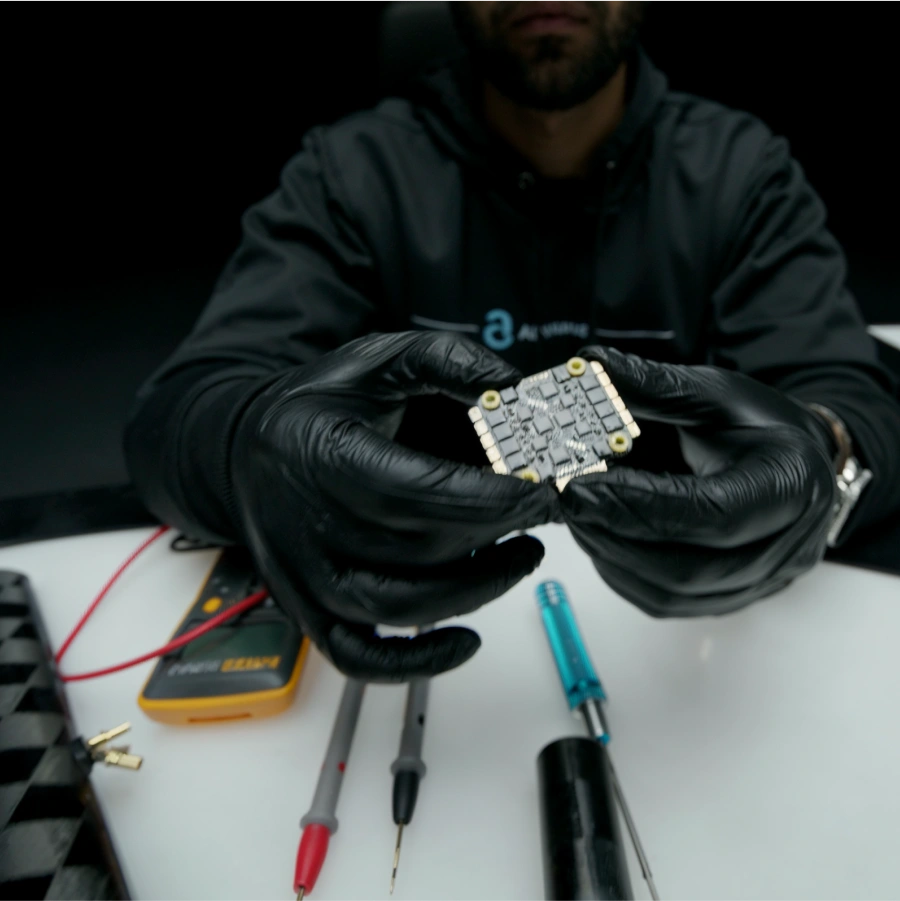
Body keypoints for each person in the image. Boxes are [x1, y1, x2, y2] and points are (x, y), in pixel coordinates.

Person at [125, 0, 900, 683]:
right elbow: (178, 411)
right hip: (415, 611)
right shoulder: (353, 173)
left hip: (695, 653)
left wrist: (823, 459)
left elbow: (857, 400)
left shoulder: (740, 171)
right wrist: (245, 442)